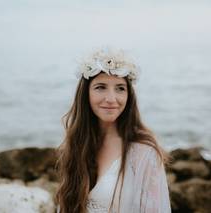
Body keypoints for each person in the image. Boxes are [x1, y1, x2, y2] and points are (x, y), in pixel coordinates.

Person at [56, 48, 171, 213]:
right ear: (85, 94)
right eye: (101, 87)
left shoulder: (144, 153)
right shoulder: (76, 144)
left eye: (120, 88)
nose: (111, 99)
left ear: (129, 96)